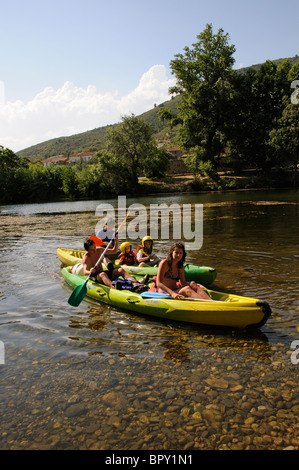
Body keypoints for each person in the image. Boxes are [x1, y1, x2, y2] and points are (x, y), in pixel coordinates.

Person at [82, 238, 148, 289]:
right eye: (91, 250)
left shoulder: (99, 250)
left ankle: (136, 282)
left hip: (103, 273)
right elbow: (85, 272)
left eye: (94, 247)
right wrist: (90, 271)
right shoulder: (86, 257)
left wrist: (116, 241)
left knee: (120, 270)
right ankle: (113, 287)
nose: (94, 250)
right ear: (86, 250)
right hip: (95, 276)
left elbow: (114, 251)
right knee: (103, 274)